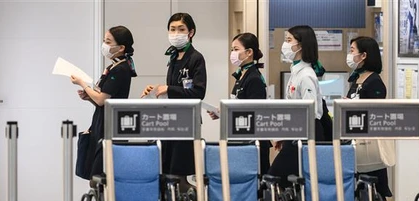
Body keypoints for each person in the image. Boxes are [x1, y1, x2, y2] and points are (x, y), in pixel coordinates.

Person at [141, 12, 206, 191]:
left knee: (180, 176)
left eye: (181, 29)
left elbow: (198, 92)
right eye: (172, 29)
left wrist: (168, 89)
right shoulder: (173, 58)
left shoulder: (195, 58)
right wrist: (156, 90)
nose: (176, 33)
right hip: (169, 122)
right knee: (166, 172)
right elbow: (174, 89)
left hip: (186, 123)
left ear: (191, 32)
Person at [71, 25, 137, 184]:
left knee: (99, 175)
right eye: (104, 41)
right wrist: (89, 97)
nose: (104, 45)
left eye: (108, 42)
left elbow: (103, 99)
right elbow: (102, 101)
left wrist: (82, 83)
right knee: (93, 174)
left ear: (121, 47)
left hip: (111, 127)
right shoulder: (113, 66)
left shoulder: (121, 69)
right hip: (102, 121)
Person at [267, 25, 329, 188]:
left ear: (300, 46)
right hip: (295, 134)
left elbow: (310, 113)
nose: (285, 45)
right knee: (280, 180)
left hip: (306, 135)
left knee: (274, 177)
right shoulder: (296, 72)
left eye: (289, 40)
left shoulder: (306, 75)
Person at [346, 36, 395, 201]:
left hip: (370, 141)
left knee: (378, 185)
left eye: (352, 50)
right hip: (354, 140)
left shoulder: (374, 81)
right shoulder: (355, 78)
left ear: (364, 55)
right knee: (355, 183)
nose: (349, 55)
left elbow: (375, 111)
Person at [208, 32, 270, 174]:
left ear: (249, 52)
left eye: (236, 49)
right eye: (232, 50)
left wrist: (227, 112)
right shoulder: (242, 74)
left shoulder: (254, 78)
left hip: (253, 142)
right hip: (241, 136)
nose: (233, 53)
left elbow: (254, 112)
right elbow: (239, 103)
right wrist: (222, 111)